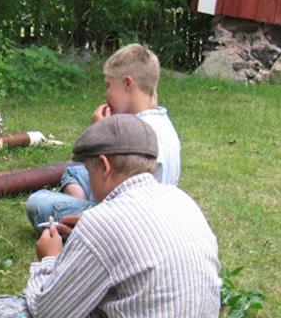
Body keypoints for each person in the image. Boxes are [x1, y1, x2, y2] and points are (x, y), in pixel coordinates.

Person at [0, 115, 221, 318]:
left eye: (89, 173)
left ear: (104, 165)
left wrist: (48, 260)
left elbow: (49, 315)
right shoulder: (181, 200)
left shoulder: (102, 221)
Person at [25, 43, 181, 232]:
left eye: (108, 85)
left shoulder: (139, 134)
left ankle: (82, 221)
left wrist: (101, 131)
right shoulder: (162, 122)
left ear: (127, 84)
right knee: (74, 172)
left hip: (129, 220)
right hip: (145, 207)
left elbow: (120, 198)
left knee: (38, 202)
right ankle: (80, 209)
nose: (105, 93)